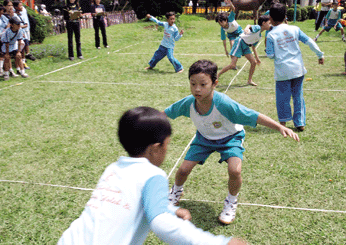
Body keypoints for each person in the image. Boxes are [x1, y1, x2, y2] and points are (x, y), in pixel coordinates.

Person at [58, 106, 249, 245]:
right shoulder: (152, 175)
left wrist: (171, 209)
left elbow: (133, 199)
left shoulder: (112, 169)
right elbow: (160, 223)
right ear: (156, 148)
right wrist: (219, 243)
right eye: (167, 145)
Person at [166, 60, 300, 225]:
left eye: (203, 84)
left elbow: (252, 115)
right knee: (183, 170)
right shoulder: (188, 103)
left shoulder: (223, 103)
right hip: (204, 138)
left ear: (215, 83)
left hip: (231, 138)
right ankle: (175, 192)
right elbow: (166, 113)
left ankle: (231, 201)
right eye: (193, 84)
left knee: (235, 170)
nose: (197, 89)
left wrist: (279, 127)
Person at [266, 3, 324, 131]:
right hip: (298, 69)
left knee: (282, 97)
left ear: (270, 18)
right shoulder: (295, 29)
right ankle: (300, 123)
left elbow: (270, 55)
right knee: (298, 96)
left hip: (283, 71)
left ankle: (283, 123)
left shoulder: (270, 35)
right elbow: (309, 41)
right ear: (285, 16)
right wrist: (320, 54)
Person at [217, 15, 271, 86]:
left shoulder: (259, 36)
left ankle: (249, 80)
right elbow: (249, 25)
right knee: (233, 65)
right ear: (263, 23)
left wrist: (257, 58)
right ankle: (217, 75)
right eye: (269, 23)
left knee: (253, 62)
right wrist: (246, 29)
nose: (270, 25)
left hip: (245, 45)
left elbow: (253, 47)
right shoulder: (258, 27)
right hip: (240, 41)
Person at [1, 16, 28, 81]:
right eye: (17, 24)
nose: (19, 25)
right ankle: (6, 74)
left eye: (19, 24)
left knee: (19, 56)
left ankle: (22, 72)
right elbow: (6, 43)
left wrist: (19, 51)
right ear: (12, 25)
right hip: (5, 45)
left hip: (14, 44)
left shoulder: (20, 30)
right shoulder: (7, 32)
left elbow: (19, 40)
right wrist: (7, 53)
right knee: (7, 58)